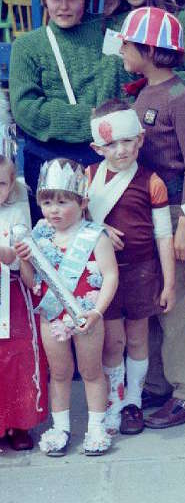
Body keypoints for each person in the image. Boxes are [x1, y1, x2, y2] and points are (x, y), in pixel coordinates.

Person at [113, 6, 185, 428]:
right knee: (154, 297)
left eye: (127, 43)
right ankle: (159, 381)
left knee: (177, 303)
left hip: (174, 212)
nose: (121, 48)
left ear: (150, 51)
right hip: (149, 213)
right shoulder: (144, 93)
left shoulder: (178, 98)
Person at [14, 159, 118, 456]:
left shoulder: (95, 236)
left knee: (91, 370)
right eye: (47, 202)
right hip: (52, 317)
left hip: (86, 315)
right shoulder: (39, 236)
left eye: (62, 202)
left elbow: (111, 275)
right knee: (59, 374)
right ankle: (60, 428)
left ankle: (96, 426)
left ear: (82, 202)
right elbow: (29, 280)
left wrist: (97, 311)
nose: (54, 210)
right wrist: (24, 259)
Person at [85, 101, 175, 436]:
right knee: (112, 342)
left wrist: (168, 284)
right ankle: (114, 399)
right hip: (103, 274)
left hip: (141, 271)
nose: (120, 150)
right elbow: (77, 221)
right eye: (111, 144)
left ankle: (133, 401)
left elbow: (164, 236)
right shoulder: (89, 178)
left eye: (127, 141)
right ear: (97, 147)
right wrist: (100, 230)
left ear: (140, 139)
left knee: (137, 338)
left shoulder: (152, 181)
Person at [9, 0, 112, 216]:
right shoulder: (27, 46)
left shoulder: (105, 34)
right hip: (48, 160)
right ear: (44, 0)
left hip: (102, 157)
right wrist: (90, 117)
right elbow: (25, 109)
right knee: (55, 238)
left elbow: (120, 89)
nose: (63, 6)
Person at [0, 156, 48, 451]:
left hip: (13, 291)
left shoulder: (16, 211)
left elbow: (25, 251)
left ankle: (19, 422)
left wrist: (13, 257)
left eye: (1, 183)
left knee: (19, 357)